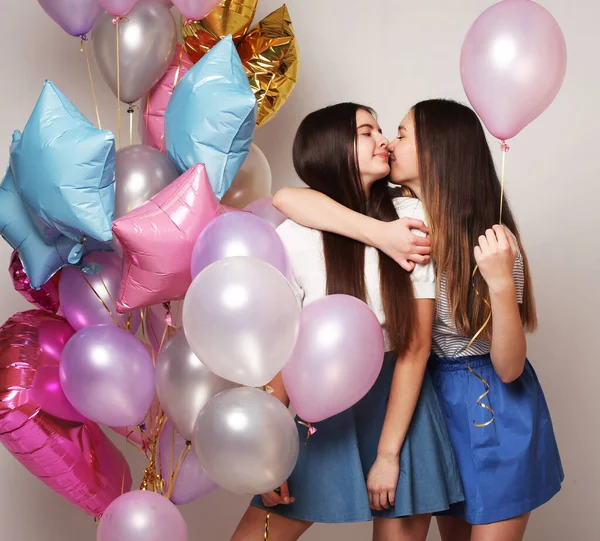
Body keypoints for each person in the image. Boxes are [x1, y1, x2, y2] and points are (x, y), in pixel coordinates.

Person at [270, 99, 564, 541]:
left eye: (402, 134)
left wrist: (502, 283)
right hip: (432, 404)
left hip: (490, 407)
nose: (389, 141)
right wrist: (378, 233)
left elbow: (509, 368)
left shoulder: (490, 241)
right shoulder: (403, 220)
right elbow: (287, 198)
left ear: (437, 153)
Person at [232, 103, 463, 541]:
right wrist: (270, 449)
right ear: (332, 146)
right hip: (319, 400)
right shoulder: (294, 233)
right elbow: (284, 348)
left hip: (399, 403)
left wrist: (389, 454)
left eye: (382, 129)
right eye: (366, 131)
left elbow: (415, 347)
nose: (383, 140)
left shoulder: (412, 217)